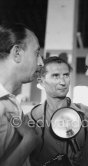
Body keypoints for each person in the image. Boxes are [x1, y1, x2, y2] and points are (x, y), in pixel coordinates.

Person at [29, 56, 88, 166]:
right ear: (42, 82)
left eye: (66, 75)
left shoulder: (85, 113)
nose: (63, 82)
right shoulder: (30, 119)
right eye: (55, 76)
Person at [0, 23, 43, 166]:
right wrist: (30, 140)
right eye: (36, 53)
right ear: (17, 53)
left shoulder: (10, 101)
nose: (41, 62)